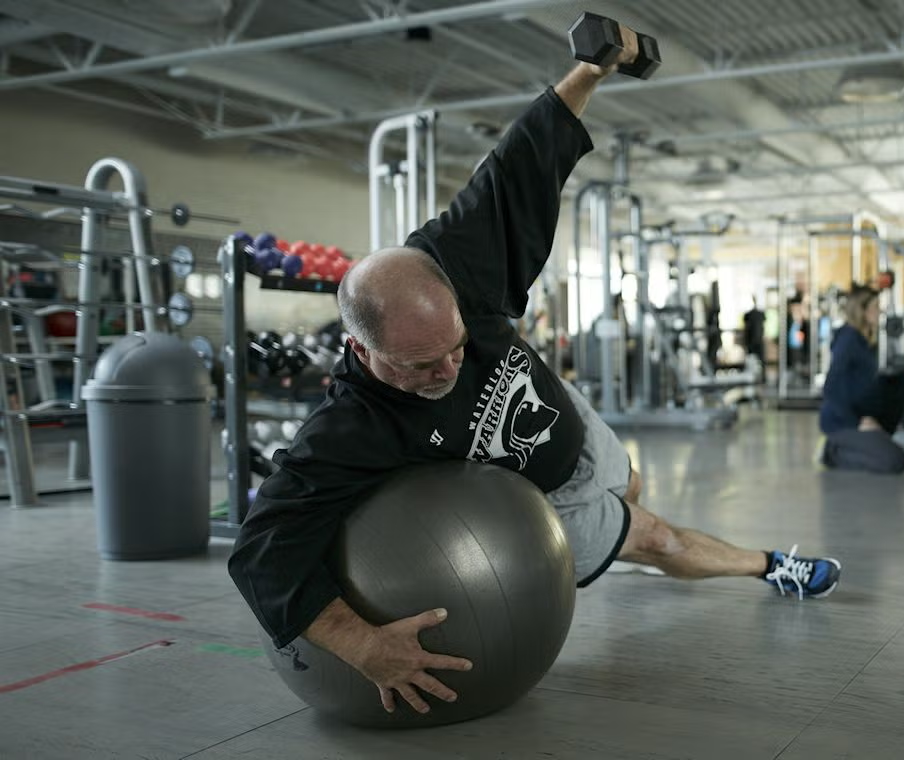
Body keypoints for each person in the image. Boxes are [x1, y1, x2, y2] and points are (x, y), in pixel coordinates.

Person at [228, 30, 841, 719]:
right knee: (656, 535)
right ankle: (771, 566)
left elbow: (520, 161)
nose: (449, 368)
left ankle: (625, 537)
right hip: (536, 513)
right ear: (364, 352)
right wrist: (364, 645)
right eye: (422, 366)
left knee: (630, 484)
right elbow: (261, 550)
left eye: (457, 346)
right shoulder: (349, 430)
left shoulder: (457, 258)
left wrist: (591, 68)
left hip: (567, 420)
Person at [818, 285, 904, 473]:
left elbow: (875, 382)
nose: (880, 311)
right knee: (897, 461)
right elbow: (831, 388)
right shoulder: (848, 339)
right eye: (875, 306)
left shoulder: (868, 342)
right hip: (844, 422)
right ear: (862, 311)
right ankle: (834, 451)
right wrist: (857, 422)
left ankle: (866, 442)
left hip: (866, 415)